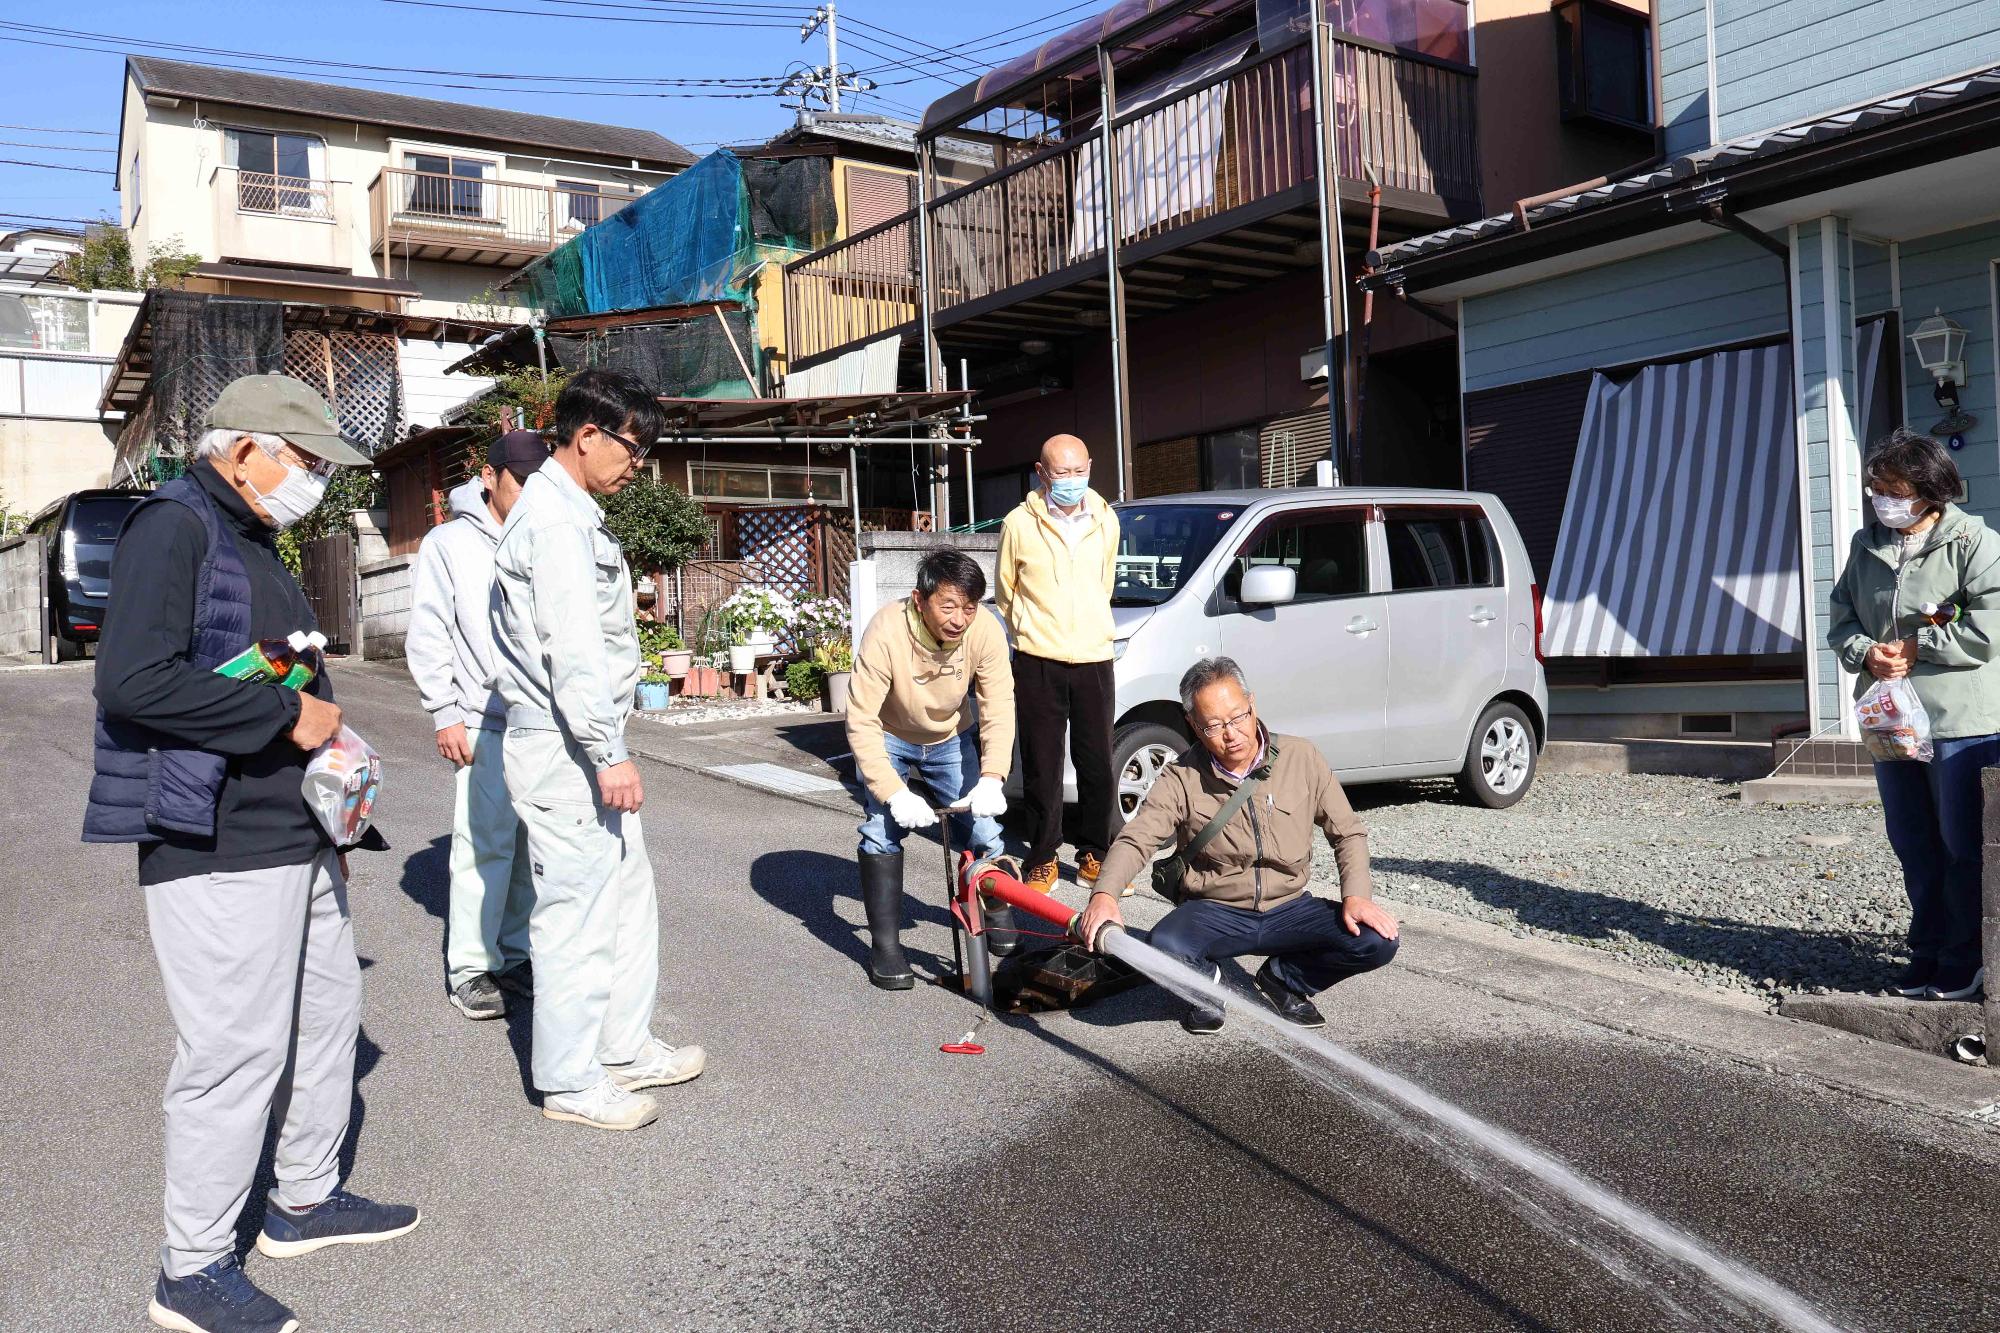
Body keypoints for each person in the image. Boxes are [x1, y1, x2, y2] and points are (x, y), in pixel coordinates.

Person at [87, 374, 418, 1333]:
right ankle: (188, 1271)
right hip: (216, 840)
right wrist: (289, 713)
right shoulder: (175, 527)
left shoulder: (252, 535)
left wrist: (333, 810)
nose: (314, 480)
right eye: (306, 461)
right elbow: (133, 682)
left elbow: (282, 665)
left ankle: (303, 1199)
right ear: (244, 452)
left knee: (327, 1017)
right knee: (232, 1054)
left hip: (295, 833)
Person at [490, 368, 704, 1132]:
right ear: (587, 436)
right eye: (632, 447)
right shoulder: (553, 521)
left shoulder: (570, 509)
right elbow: (573, 650)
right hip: (566, 746)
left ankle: (621, 1044)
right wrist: (608, 750)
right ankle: (571, 1078)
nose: (637, 463)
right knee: (576, 913)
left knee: (623, 897)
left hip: (583, 742)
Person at [1076, 657, 1400, 1033]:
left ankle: (1285, 978)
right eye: (1214, 725)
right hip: (1215, 909)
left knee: (1378, 940)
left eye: (1238, 716)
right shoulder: (1181, 776)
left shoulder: (1302, 757)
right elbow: (1137, 839)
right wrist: (1105, 894)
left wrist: (1357, 896)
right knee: (1163, 946)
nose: (1231, 733)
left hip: (1289, 907)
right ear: (1195, 727)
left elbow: (1348, 833)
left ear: (1253, 705)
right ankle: (1206, 987)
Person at [1828, 428, 2000, 1002]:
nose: (1882, 499)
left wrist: (1922, 648)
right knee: (1912, 839)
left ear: (1929, 489)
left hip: (1958, 722)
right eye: (1876, 488)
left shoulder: (1974, 542)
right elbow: (1843, 617)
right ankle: (1926, 947)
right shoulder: (1867, 543)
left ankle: (1966, 955)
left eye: (1893, 488)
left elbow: (1991, 624)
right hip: (1891, 721)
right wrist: (1864, 652)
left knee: (1962, 843)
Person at [405, 430, 547, 1020]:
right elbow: (431, 628)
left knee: (526, 849)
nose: (529, 494)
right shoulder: (449, 544)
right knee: (480, 848)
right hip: (481, 717)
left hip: (537, 721)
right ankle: (470, 967)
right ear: (489, 478)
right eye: (519, 482)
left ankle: (512, 954)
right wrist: (445, 712)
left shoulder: (541, 534)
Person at [845, 549, 1015, 989]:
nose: (960, 619)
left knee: (984, 832)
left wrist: (994, 776)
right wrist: (894, 792)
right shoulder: (887, 629)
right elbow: (860, 717)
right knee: (881, 830)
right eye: (948, 606)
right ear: (919, 600)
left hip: (951, 736)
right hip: (890, 732)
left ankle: (994, 906)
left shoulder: (985, 630)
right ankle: (885, 944)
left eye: (970, 607)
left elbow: (998, 704)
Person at [997, 432, 1122, 892]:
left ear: (1089, 465)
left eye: (1079, 470)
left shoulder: (1106, 519)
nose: (1071, 480)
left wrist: (1087, 626)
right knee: (1041, 763)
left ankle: (1095, 853)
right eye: (1061, 472)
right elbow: (1007, 590)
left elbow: (1104, 582)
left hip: (1094, 656)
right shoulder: (1018, 523)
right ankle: (1043, 856)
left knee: (1096, 762)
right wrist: (1032, 629)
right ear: (1042, 472)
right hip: (1038, 658)